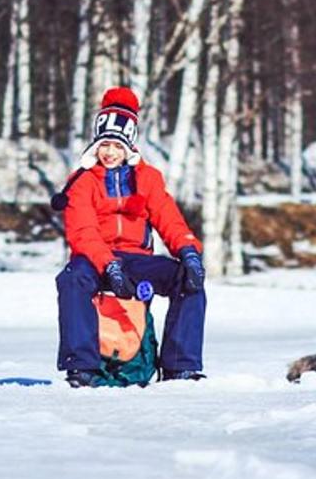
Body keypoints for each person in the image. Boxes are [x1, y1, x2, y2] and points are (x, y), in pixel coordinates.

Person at [56, 87, 207, 387]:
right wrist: (108, 265)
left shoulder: (147, 179)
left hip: (137, 260)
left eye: (116, 145)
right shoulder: (83, 182)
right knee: (71, 279)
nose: (109, 152)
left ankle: (180, 366)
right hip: (96, 259)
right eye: (104, 144)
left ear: (129, 146)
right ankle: (81, 367)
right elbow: (82, 232)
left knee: (187, 280)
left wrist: (189, 252)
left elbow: (169, 217)